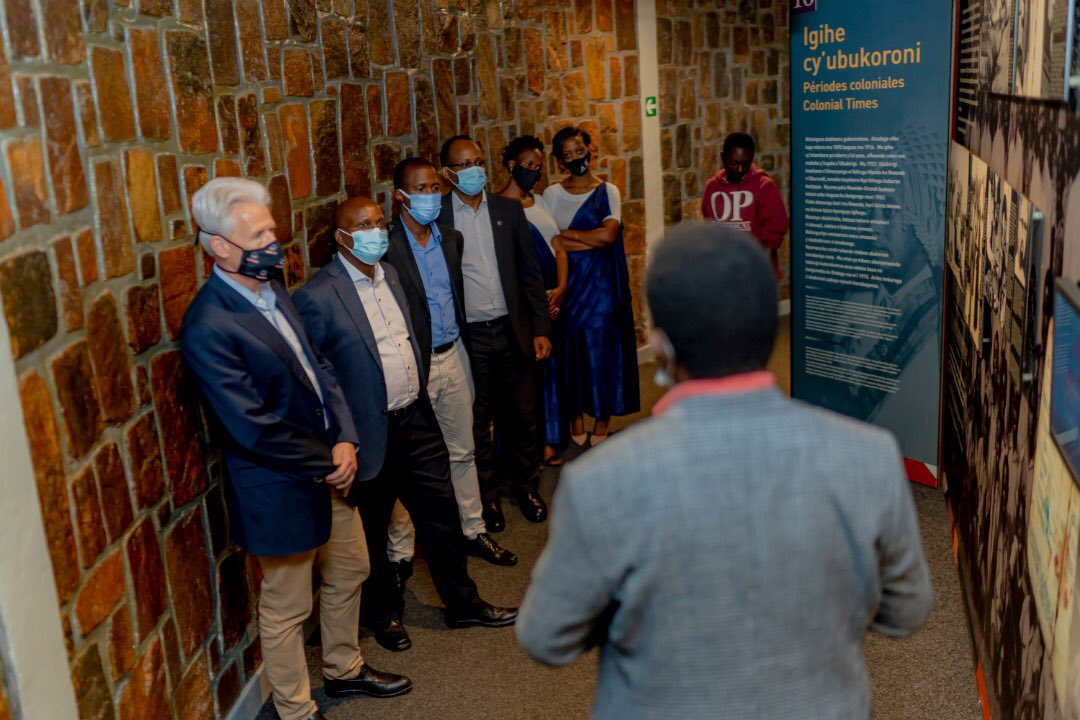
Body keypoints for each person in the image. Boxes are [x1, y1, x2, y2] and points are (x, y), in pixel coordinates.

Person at [516, 222, 935, 720]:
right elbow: (907, 610)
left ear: (661, 343)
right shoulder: (868, 456)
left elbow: (547, 638)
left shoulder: (600, 482)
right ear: (767, 324)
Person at [180, 178, 410, 720]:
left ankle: (344, 668)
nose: (272, 240)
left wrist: (346, 437)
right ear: (219, 246)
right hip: (280, 485)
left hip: (331, 466)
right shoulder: (208, 326)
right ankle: (296, 710)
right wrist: (327, 461)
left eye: (270, 229)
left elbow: (318, 366)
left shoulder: (273, 286)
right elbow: (250, 426)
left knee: (351, 569)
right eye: (257, 233)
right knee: (287, 607)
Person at [293, 196, 518, 655]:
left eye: (379, 221)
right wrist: (341, 437)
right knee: (374, 532)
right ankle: (386, 616)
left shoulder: (390, 273)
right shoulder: (316, 295)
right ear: (342, 237)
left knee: (441, 513)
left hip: (415, 419)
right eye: (364, 225)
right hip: (368, 434)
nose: (377, 231)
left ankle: (463, 603)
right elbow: (317, 376)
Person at [383, 157, 518, 567]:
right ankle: (401, 555)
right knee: (407, 466)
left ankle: (473, 531)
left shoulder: (451, 238)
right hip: (415, 366)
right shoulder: (387, 247)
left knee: (464, 450)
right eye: (419, 190)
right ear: (400, 197)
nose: (429, 196)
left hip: (454, 355)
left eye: (433, 188)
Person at [437, 135, 552, 530]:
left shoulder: (507, 210)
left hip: (512, 328)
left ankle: (527, 486)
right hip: (470, 337)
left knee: (523, 413)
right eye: (464, 164)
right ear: (448, 173)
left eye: (478, 162)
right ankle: (487, 499)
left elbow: (530, 274)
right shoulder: (438, 218)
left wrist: (540, 327)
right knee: (478, 421)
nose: (474, 170)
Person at [542, 126, 640, 447]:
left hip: (603, 287)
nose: (575, 159)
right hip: (568, 283)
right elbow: (553, 243)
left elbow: (609, 236)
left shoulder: (608, 190)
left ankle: (601, 419)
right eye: (567, 155)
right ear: (559, 162)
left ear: (590, 150)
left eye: (579, 151)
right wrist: (586, 238)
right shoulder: (551, 195)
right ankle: (574, 416)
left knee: (603, 351)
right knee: (571, 351)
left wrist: (570, 235)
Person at [496, 135, 569, 467]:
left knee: (552, 370)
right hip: (526, 305)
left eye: (539, 167)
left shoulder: (540, 201)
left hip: (554, 297)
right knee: (527, 377)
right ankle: (527, 444)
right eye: (528, 165)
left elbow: (559, 246)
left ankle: (551, 437)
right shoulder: (497, 208)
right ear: (511, 165)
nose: (534, 172)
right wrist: (537, 300)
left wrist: (561, 289)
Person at [701, 131, 790, 277]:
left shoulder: (765, 187)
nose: (740, 170)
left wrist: (762, 278)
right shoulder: (712, 188)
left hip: (755, 275)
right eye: (735, 163)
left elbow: (771, 239)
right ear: (723, 158)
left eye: (746, 164)